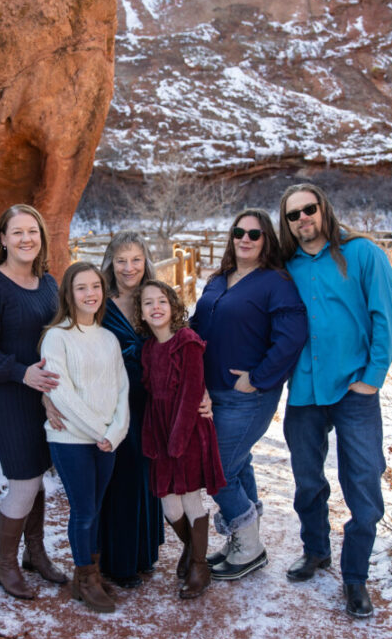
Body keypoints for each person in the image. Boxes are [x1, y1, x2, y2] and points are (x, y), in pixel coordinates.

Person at [277, 183, 392, 619]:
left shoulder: (363, 254)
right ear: (287, 224)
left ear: (323, 208)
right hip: (305, 392)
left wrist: (373, 377)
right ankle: (316, 550)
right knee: (307, 479)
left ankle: (355, 577)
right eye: (293, 215)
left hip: (354, 388)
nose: (303, 219)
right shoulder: (286, 266)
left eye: (308, 209)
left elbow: (386, 316)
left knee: (364, 483)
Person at [191, 209, 309, 581]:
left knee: (219, 470)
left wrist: (258, 378)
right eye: (239, 232)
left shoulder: (275, 282)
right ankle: (247, 542)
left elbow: (292, 335)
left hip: (249, 396)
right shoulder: (219, 279)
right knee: (237, 464)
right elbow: (198, 327)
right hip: (213, 394)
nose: (245, 239)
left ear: (266, 240)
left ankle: (248, 544)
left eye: (254, 234)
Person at [0, 204, 68, 601]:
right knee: (24, 480)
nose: (27, 239)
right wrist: (21, 372)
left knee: (37, 474)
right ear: (3, 239)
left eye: (34, 232)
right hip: (8, 395)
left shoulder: (47, 282)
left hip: (44, 397)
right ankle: (4, 564)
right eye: (18, 232)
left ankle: (34, 554)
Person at [41, 262, 130, 613]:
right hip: (71, 441)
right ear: (68, 293)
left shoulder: (108, 338)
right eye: (81, 287)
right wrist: (100, 432)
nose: (90, 293)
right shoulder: (57, 336)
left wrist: (116, 431)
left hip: (106, 440)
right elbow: (61, 394)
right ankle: (86, 578)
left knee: (97, 507)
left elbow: (121, 388)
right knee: (83, 511)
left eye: (96, 286)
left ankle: (87, 577)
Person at [136, 280, 226, 599]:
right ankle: (192, 548)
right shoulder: (148, 349)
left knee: (189, 498)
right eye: (148, 303)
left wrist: (178, 440)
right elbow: (151, 396)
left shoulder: (186, 342)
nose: (156, 307)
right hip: (161, 433)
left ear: (173, 306)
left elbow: (191, 392)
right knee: (168, 502)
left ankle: (199, 566)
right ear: (142, 314)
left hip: (188, 431)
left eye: (162, 300)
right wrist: (154, 438)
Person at [93, 232, 164, 587]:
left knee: (145, 473)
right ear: (111, 262)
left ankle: (143, 553)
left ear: (145, 260)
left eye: (136, 259)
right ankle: (117, 561)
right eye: (121, 260)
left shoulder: (155, 297)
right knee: (118, 474)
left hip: (149, 397)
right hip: (111, 397)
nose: (128, 267)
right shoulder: (100, 300)